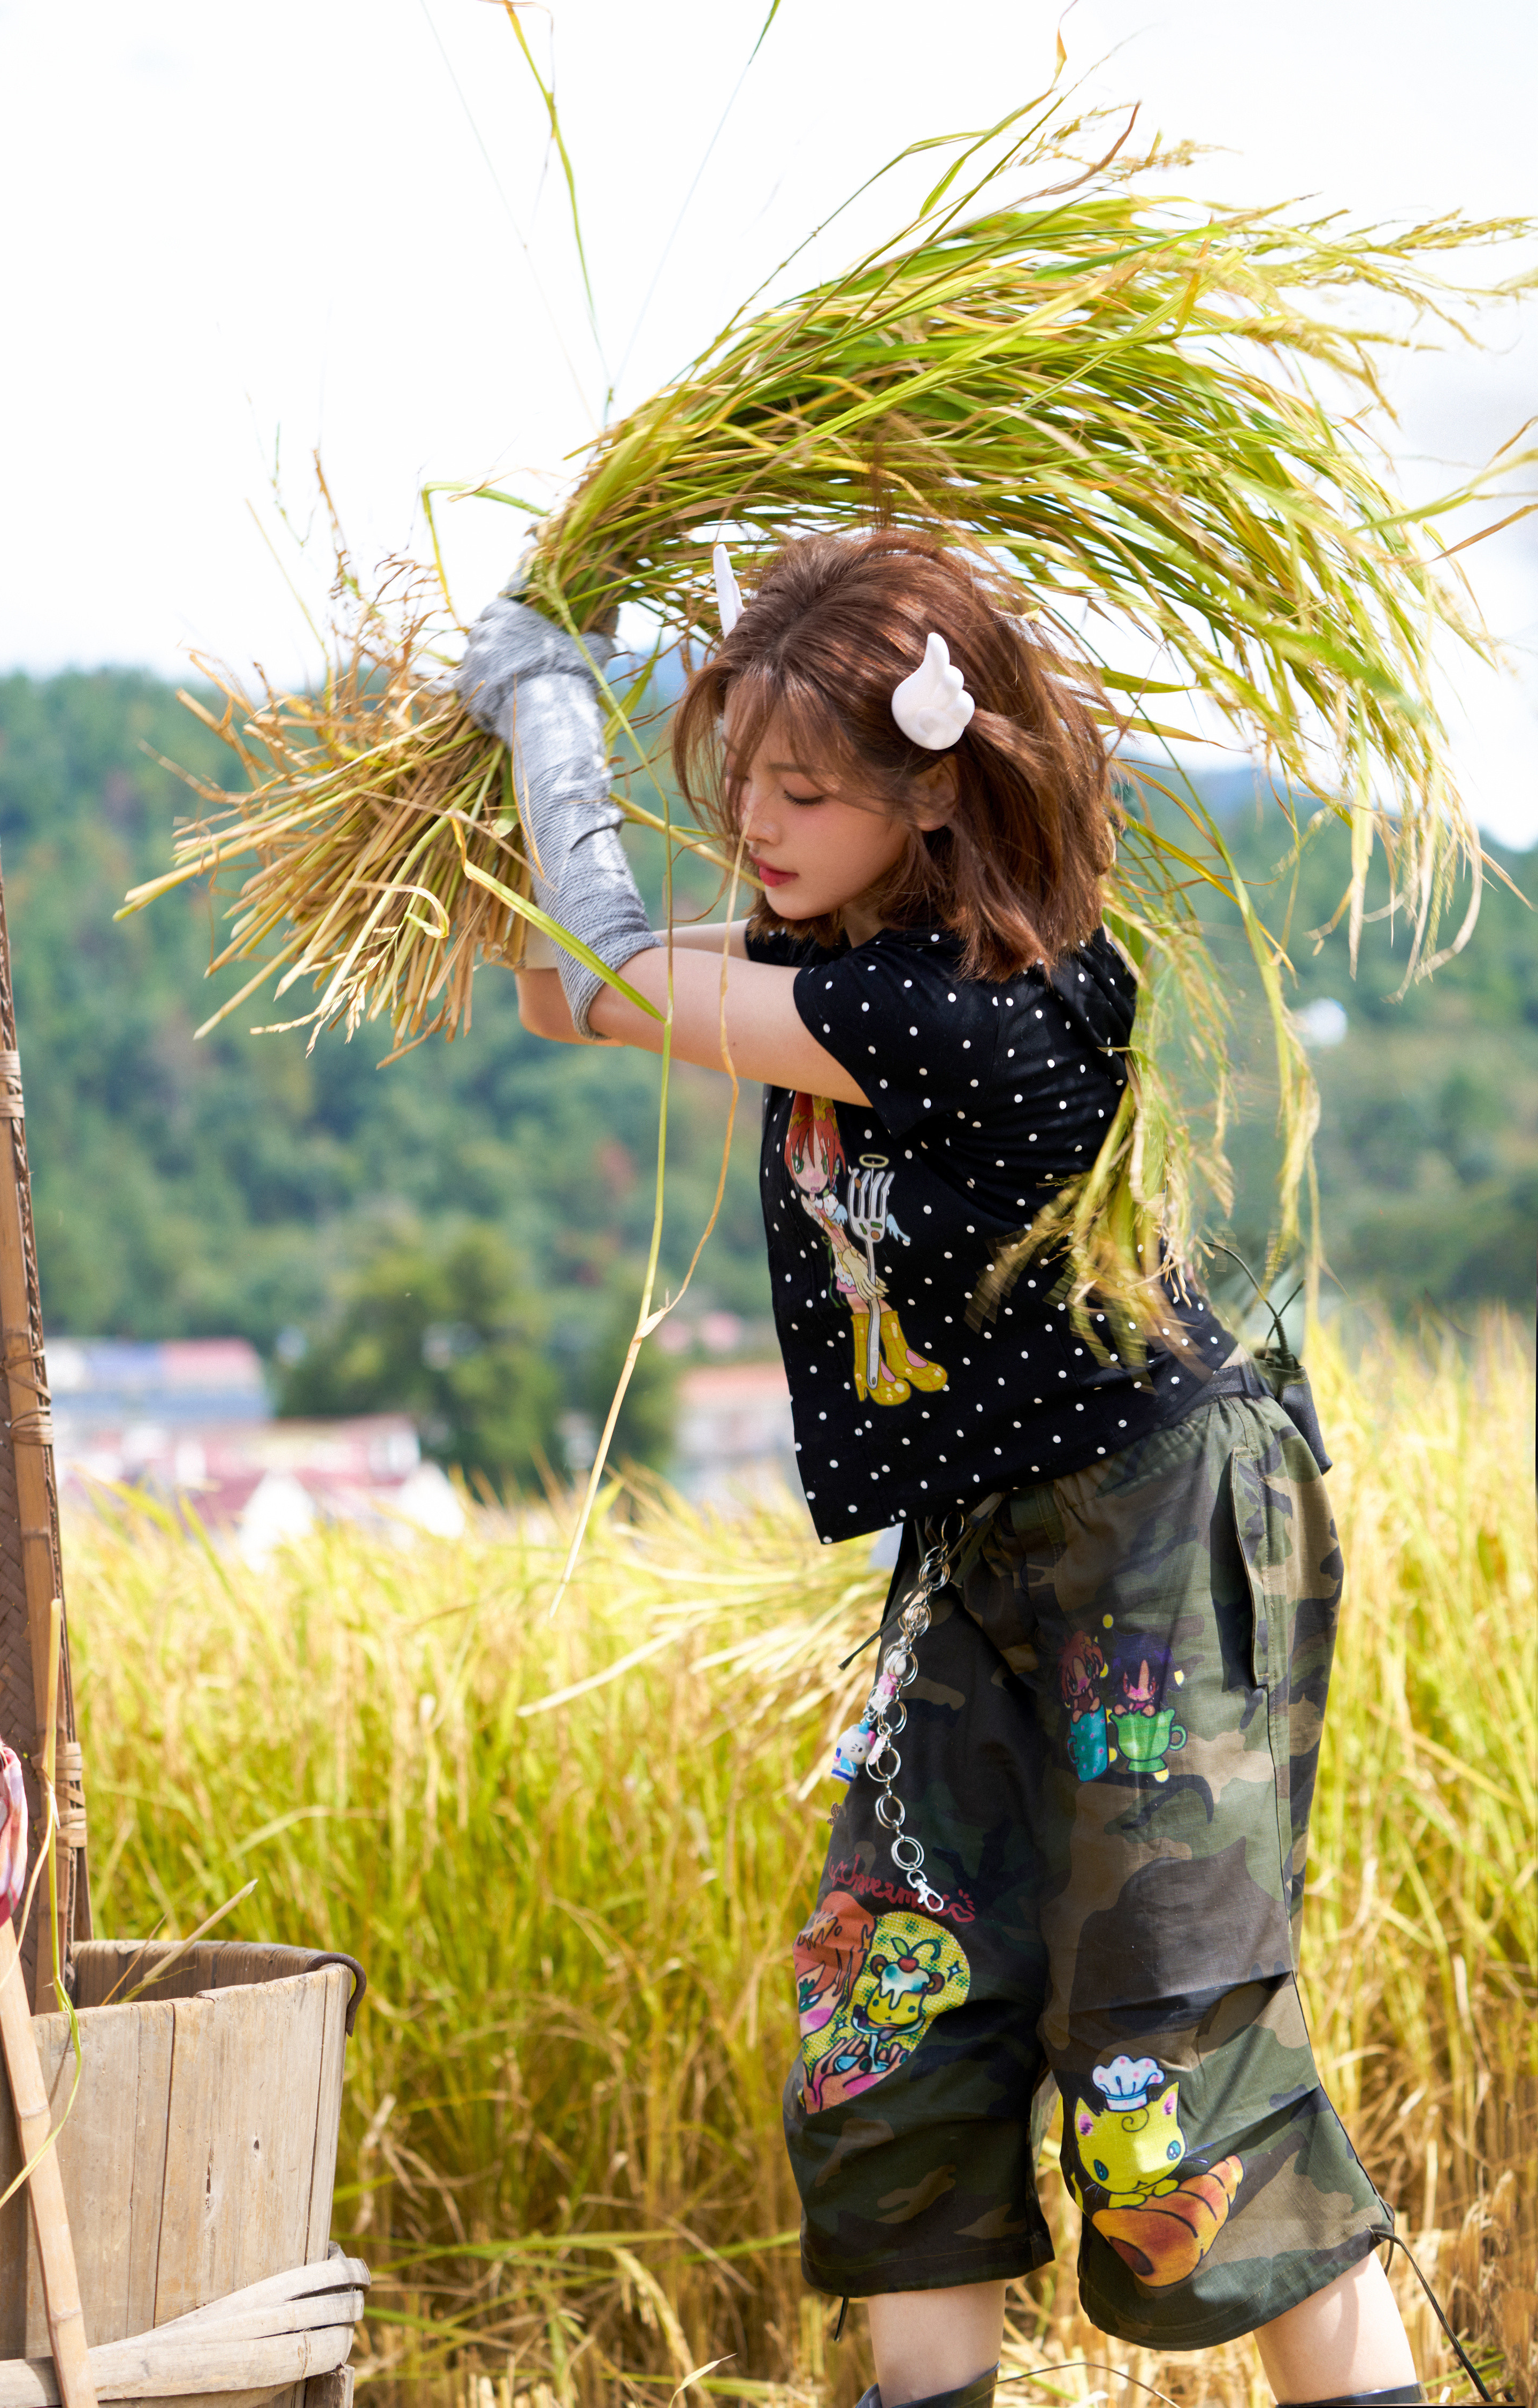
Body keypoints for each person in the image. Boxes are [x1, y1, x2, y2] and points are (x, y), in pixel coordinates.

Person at [460, 531, 1424, 2408]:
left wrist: (543, 692)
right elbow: (548, 988)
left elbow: (594, 961)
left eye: (808, 791)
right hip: (982, 1536)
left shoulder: (980, 1009)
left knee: (1168, 2069)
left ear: (933, 793)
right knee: (885, 2002)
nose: (759, 823)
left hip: (1160, 1523)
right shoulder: (832, 957)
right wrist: (525, 745)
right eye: (742, 780)